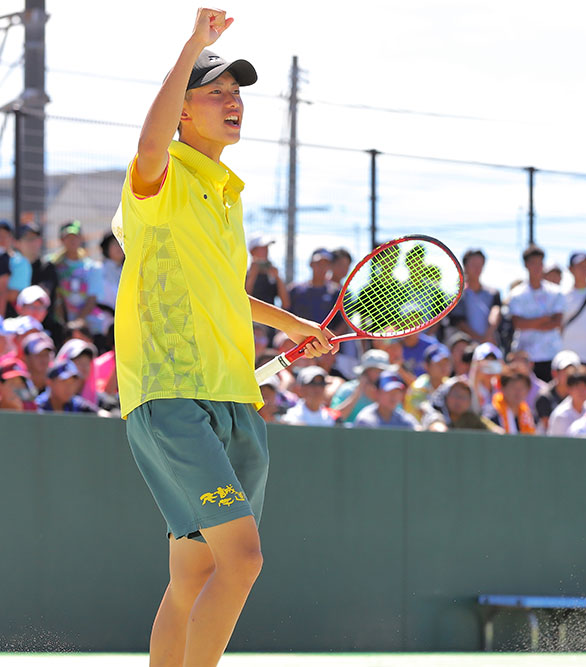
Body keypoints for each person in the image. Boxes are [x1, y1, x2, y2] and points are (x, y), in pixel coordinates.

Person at [114, 11, 336, 665]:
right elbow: (149, 146)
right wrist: (194, 45)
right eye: (215, 93)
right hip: (173, 397)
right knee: (243, 560)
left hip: (235, 399)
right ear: (183, 111)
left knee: (196, 574)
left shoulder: (226, 193)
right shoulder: (160, 177)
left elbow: (221, 294)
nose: (232, 102)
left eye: (236, 93)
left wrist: (292, 325)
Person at [507, 244, 565, 383]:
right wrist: (545, 319)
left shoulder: (556, 292)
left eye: (540, 263)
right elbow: (518, 324)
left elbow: (556, 322)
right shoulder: (516, 294)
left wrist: (530, 323)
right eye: (533, 263)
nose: (537, 267)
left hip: (551, 355)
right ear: (526, 265)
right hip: (525, 357)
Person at [451, 248, 501, 345]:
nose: (477, 268)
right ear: (465, 266)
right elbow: (459, 322)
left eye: (480, 265)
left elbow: (496, 313)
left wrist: (488, 336)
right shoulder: (458, 296)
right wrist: (480, 339)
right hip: (465, 348)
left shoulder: (493, 293)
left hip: (488, 345)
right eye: (473, 264)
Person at [329, 349, 389, 424]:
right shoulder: (347, 389)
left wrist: (378, 398)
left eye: (382, 371)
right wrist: (358, 392)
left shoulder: (391, 391)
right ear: (365, 372)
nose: (379, 374)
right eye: (375, 370)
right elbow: (333, 419)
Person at [287, 248, 337, 326]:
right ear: (311, 264)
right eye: (318, 263)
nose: (322, 267)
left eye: (325, 264)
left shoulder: (336, 292)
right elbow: (285, 314)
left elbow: (342, 323)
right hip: (296, 332)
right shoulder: (295, 289)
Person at [533, 349, 580, 432]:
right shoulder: (544, 397)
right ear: (554, 373)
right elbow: (551, 430)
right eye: (565, 371)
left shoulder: (583, 396)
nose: (569, 375)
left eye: (572, 371)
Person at [354, 372, 419, 430]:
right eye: (389, 391)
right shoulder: (366, 419)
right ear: (377, 393)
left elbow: (417, 431)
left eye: (397, 392)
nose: (394, 396)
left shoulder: (405, 418)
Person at [482, 367, 536, 434]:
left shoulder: (530, 415)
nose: (518, 392)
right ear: (502, 388)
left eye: (522, 387)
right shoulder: (491, 414)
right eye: (513, 387)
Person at [404, 344, 452, 419]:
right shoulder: (418, 388)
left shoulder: (450, 384)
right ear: (426, 366)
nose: (444, 367)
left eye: (446, 363)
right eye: (439, 364)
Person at [35, 359, 99, 414]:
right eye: (64, 382)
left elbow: (101, 414)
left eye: (72, 382)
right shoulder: (37, 407)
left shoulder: (78, 405)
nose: (69, 387)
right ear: (49, 382)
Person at [245, 233, 289, 308]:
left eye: (266, 248)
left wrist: (278, 278)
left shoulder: (272, 275)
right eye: (262, 248)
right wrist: (252, 275)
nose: (265, 251)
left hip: (269, 315)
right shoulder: (243, 274)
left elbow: (286, 303)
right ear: (252, 251)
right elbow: (244, 300)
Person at [546, 367, 586, 437]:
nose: (582, 391)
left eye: (585, 387)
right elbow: (556, 442)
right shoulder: (560, 416)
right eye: (578, 387)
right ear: (569, 389)